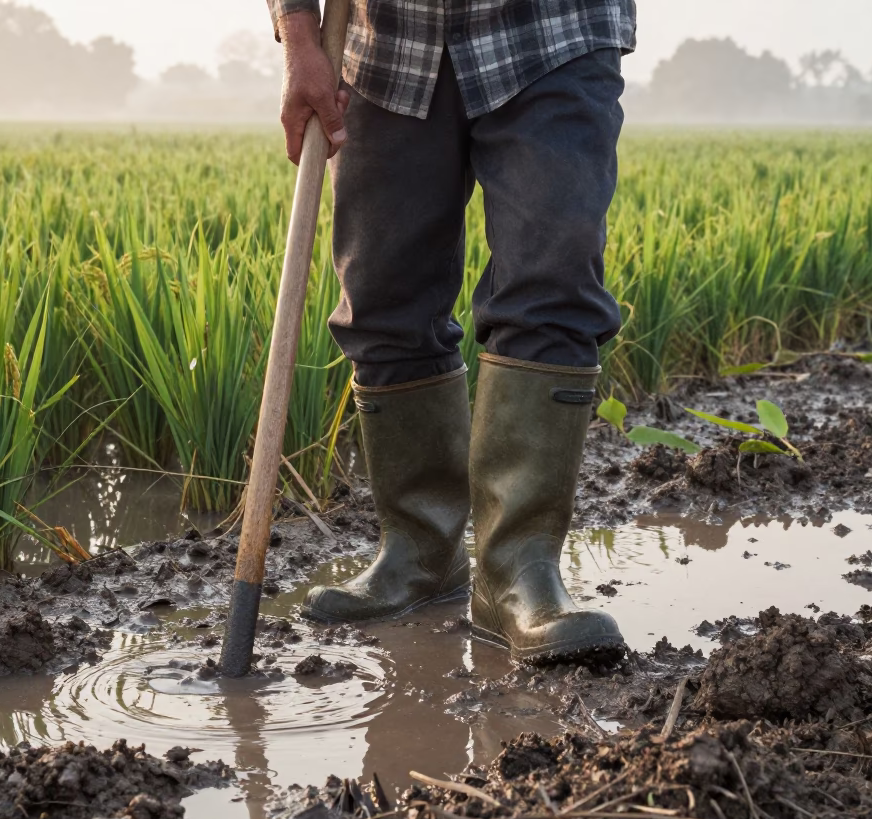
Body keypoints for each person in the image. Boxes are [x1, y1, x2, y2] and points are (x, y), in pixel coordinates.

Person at [267, 0, 636, 662]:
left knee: (551, 284)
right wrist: (298, 35)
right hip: (388, 40)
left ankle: (518, 575)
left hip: (551, 29)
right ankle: (417, 553)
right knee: (383, 297)